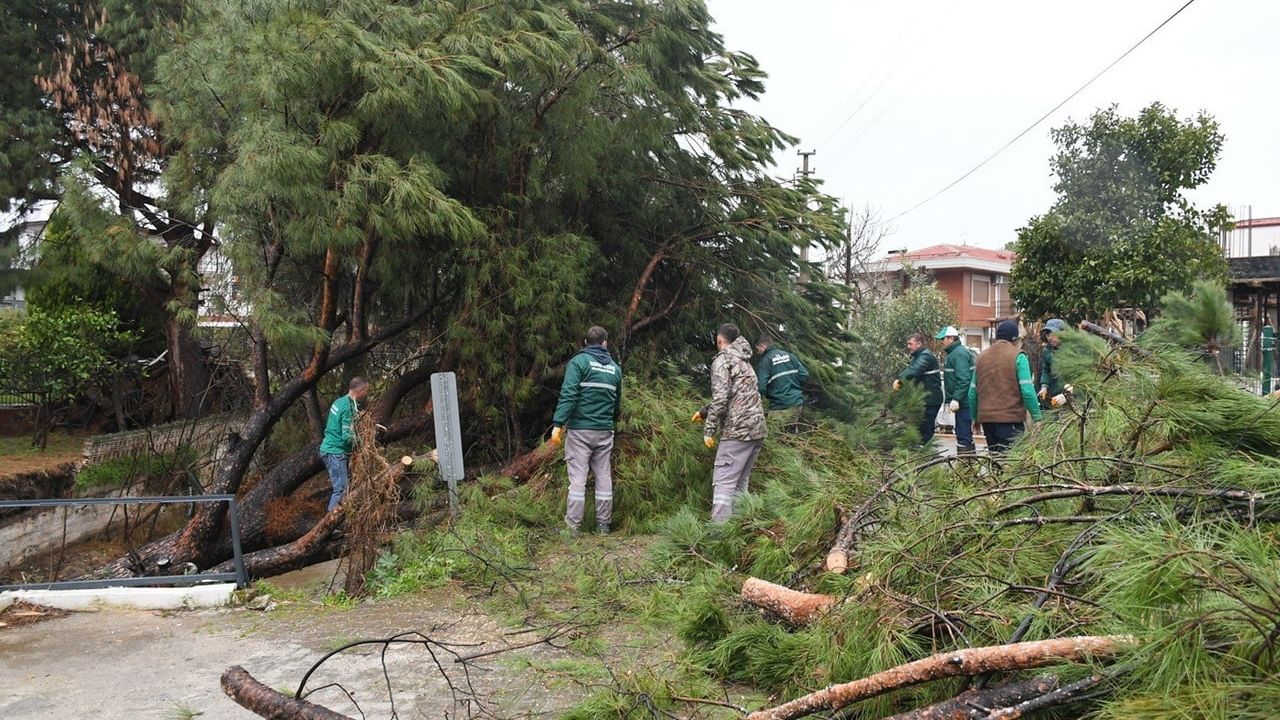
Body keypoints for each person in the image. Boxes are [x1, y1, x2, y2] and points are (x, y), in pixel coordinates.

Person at [550, 325, 623, 535]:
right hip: (604, 431)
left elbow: (569, 394)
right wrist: (610, 422)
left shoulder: (579, 363)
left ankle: (572, 526)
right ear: (605, 343)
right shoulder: (615, 369)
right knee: (603, 476)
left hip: (580, 431)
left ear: (585, 343)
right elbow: (616, 403)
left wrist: (558, 424)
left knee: (578, 479)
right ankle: (603, 525)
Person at [699, 324, 767, 523]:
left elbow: (721, 398)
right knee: (740, 484)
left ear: (720, 341)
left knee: (724, 484)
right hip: (757, 431)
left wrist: (709, 430)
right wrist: (704, 411)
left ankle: (719, 536)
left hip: (738, 431)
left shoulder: (722, 361)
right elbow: (737, 393)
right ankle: (740, 532)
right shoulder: (745, 361)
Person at [968, 320, 1042, 452]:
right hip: (1010, 420)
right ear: (1015, 339)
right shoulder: (1018, 356)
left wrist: (975, 418)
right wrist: (1037, 417)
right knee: (1011, 464)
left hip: (987, 421)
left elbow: (972, 393)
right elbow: (1027, 391)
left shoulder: (981, 357)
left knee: (996, 461)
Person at [320, 377, 370, 512]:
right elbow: (347, 436)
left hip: (330, 449)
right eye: (366, 391)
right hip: (335, 452)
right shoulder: (347, 408)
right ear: (360, 390)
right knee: (341, 488)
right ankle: (330, 524)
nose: (366, 394)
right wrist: (363, 443)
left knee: (341, 487)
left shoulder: (340, 401)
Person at [895, 332, 943, 446]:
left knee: (925, 428)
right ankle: (919, 449)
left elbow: (914, 370)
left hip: (930, 400)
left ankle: (922, 450)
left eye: (910, 344)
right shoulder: (919, 356)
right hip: (925, 399)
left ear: (919, 344)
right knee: (920, 427)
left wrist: (899, 380)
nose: (908, 347)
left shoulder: (925, 356)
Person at [755, 331, 809, 428]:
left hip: (780, 406)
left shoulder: (765, 361)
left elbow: (761, 387)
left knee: (776, 436)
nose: (757, 351)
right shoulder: (789, 355)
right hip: (797, 402)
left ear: (762, 346)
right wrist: (794, 389)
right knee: (791, 433)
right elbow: (804, 375)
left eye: (757, 348)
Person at [936, 326, 975, 453]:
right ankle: (967, 463)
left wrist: (956, 398)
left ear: (951, 338)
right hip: (963, 403)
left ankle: (966, 464)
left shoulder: (958, 354)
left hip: (964, 403)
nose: (942, 341)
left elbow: (963, 379)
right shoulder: (956, 353)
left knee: (963, 435)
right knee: (963, 434)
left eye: (943, 338)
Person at [1038, 318, 1068, 405]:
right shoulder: (1047, 351)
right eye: (1048, 334)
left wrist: (1068, 394)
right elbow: (1046, 369)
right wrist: (1044, 386)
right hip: (1055, 394)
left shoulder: (1073, 351)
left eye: (1053, 334)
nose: (1050, 337)